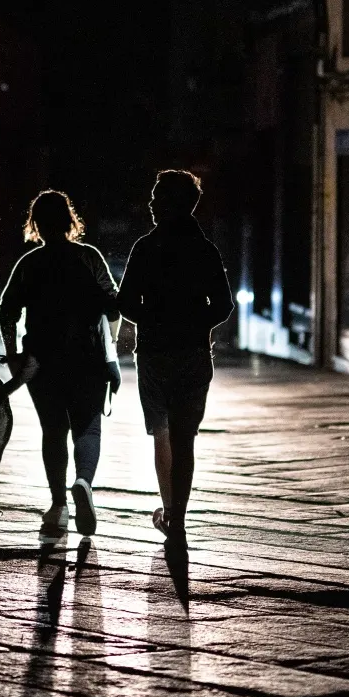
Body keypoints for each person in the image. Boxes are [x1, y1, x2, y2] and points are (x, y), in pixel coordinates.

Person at [116, 169, 234, 542]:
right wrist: (197, 324)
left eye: (156, 196)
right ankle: (178, 519)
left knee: (161, 434)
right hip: (195, 354)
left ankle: (169, 512)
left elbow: (124, 302)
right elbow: (224, 306)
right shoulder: (205, 249)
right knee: (185, 439)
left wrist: (152, 319)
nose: (150, 202)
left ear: (170, 203)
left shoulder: (146, 247)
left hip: (153, 354)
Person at [0, 189, 122, 534]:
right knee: (88, 427)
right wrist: (110, 352)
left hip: (42, 360)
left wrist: (14, 358)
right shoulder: (90, 258)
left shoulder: (29, 264)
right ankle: (83, 482)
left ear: (35, 224)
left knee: (53, 430)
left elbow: (5, 313)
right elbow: (114, 307)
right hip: (89, 358)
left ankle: (58, 506)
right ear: (71, 221)